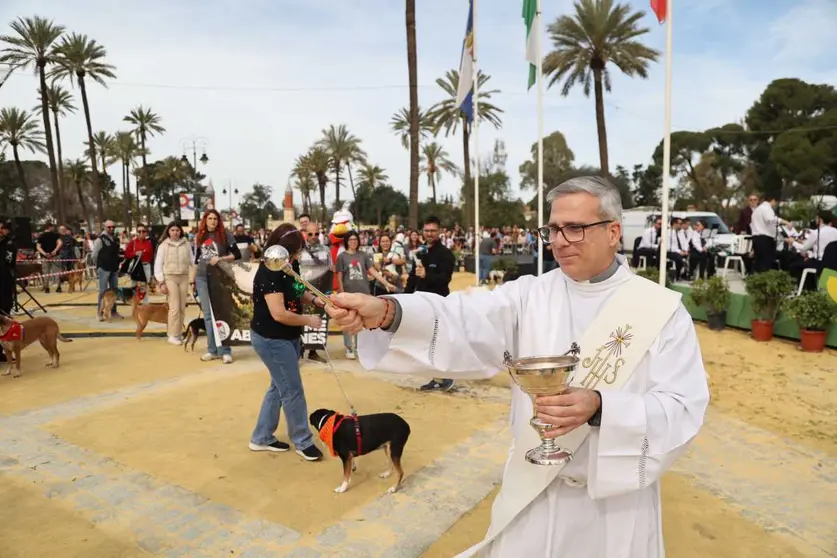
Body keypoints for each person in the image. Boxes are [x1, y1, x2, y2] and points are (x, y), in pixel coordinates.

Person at [325, 176, 709, 558]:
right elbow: (464, 317)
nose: (559, 240)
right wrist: (389, 312)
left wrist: (601, 408)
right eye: (553, 229)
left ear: (612, 232)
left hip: (616, 509)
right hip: (533, 494)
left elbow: (683, 406)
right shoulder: (531, 295)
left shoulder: (660, 312)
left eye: (574, 228)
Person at [248, 223, 325, 462]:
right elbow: (279, 314)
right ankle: (303, 440)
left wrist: (314, 299)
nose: (295, 256)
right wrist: (309, 319)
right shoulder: (269, 271)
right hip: (272, 338)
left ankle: (261, 437)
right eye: (294, 252)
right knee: (291, 390)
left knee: (278, 387)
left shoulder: (288, 264)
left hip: (288, 337)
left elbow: (296, 286)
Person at [406, 216, 457, 392]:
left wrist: (427, 275)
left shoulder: (446, 255)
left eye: (433, 230)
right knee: (428, 341)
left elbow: (445, 279)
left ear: (439, 232)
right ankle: (436, 377)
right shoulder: (420, 253)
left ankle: (447, 376)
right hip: (420, 304)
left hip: (439, 304)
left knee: (439, 341)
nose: (429, 233)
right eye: (426, 230)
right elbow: (413, 278)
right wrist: (405, 298)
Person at [335, 231, 394, 359]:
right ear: (346, 242)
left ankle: (358, 347)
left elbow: (372, 271)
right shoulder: (342, 257)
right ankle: (349, 347)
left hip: (363, 293)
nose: (353, 242)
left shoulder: (363, 255)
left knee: (361, 321)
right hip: (348, 294)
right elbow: (339, 276)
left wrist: (385, 283)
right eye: (350, 240)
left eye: (355, 239)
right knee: (348, 320)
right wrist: (341, 292)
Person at [192, 210, 241, 363]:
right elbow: (196, 259)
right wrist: (192, 281)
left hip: (220, 277)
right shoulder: (200, 236)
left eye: (215, 219)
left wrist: (220, 259)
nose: (212, 221)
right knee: (208, 315)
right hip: (202, 277)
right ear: (205, 220)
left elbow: (237, 254)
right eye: (210, 218)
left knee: (221, 313)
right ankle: (212, 350)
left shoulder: (225, 234)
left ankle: (225, 350)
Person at [154, 222, 194, 345]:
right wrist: (161, 282)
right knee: (174, 307)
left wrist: (194, 278)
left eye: (177, 230)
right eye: (172, 230)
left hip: (184, 277)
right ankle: (172, 334)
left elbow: (192, 261)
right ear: (168, 231)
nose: (175, 232)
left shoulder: (186, 244)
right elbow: (158, 265)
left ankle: (178, 332)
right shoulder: (163, 246)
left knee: (182, 307)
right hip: (170, 278)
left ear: (180, 231)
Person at [298, 221, 333, 363]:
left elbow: (330, 269)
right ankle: (299, 350)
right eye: (310, 233)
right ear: (305, 233)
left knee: (319, 319)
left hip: (321, 290)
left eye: (316, 233)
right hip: (303, 290)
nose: (313, 236)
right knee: (301, 318)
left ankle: (313, 351)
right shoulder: (299, 251)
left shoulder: (326, 250)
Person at [91, 221, 121, 321]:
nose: (111, 228)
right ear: (104, 227)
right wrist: (98, 267)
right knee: (103, 291)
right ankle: (99, 313)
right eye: (109, 227)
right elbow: (94, 255)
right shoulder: (100, 240)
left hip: (114, 268)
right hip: (104, 268)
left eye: (113, 226)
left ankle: (113, 312)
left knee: (114, 291)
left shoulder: (116, 239)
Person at [750, 195, 787, 273]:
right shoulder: (767, 209)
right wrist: (784, 221)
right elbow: (770, 219)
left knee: (759, 262)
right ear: (773, 200)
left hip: (756, 238)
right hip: (765, 239)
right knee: (766, 263)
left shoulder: (756, 210)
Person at [124, 224, 154, 302]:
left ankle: (145, 307)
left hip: (146, 266)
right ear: (136, 232)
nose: (141, 233)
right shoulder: (132, 243)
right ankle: (135, 306)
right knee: (134, 286)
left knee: (144, 288)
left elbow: (151, 256)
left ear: (146, 233)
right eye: (139, 231)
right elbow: (127, 254)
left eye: (143, 231)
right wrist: (135, 254)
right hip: (136, 267)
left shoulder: (149, 243)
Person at [36, 223, 62, 293]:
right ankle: (58, 287)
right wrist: (54, 251)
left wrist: (44, 253)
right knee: (57, 271)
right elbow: (60, 243)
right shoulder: (55, 235)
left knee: (46, 272)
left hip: (45, 257)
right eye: (52, 227)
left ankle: (47, 288)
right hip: (55, 256)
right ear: (50, 227)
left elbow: (38, 247)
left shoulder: (41, 236)